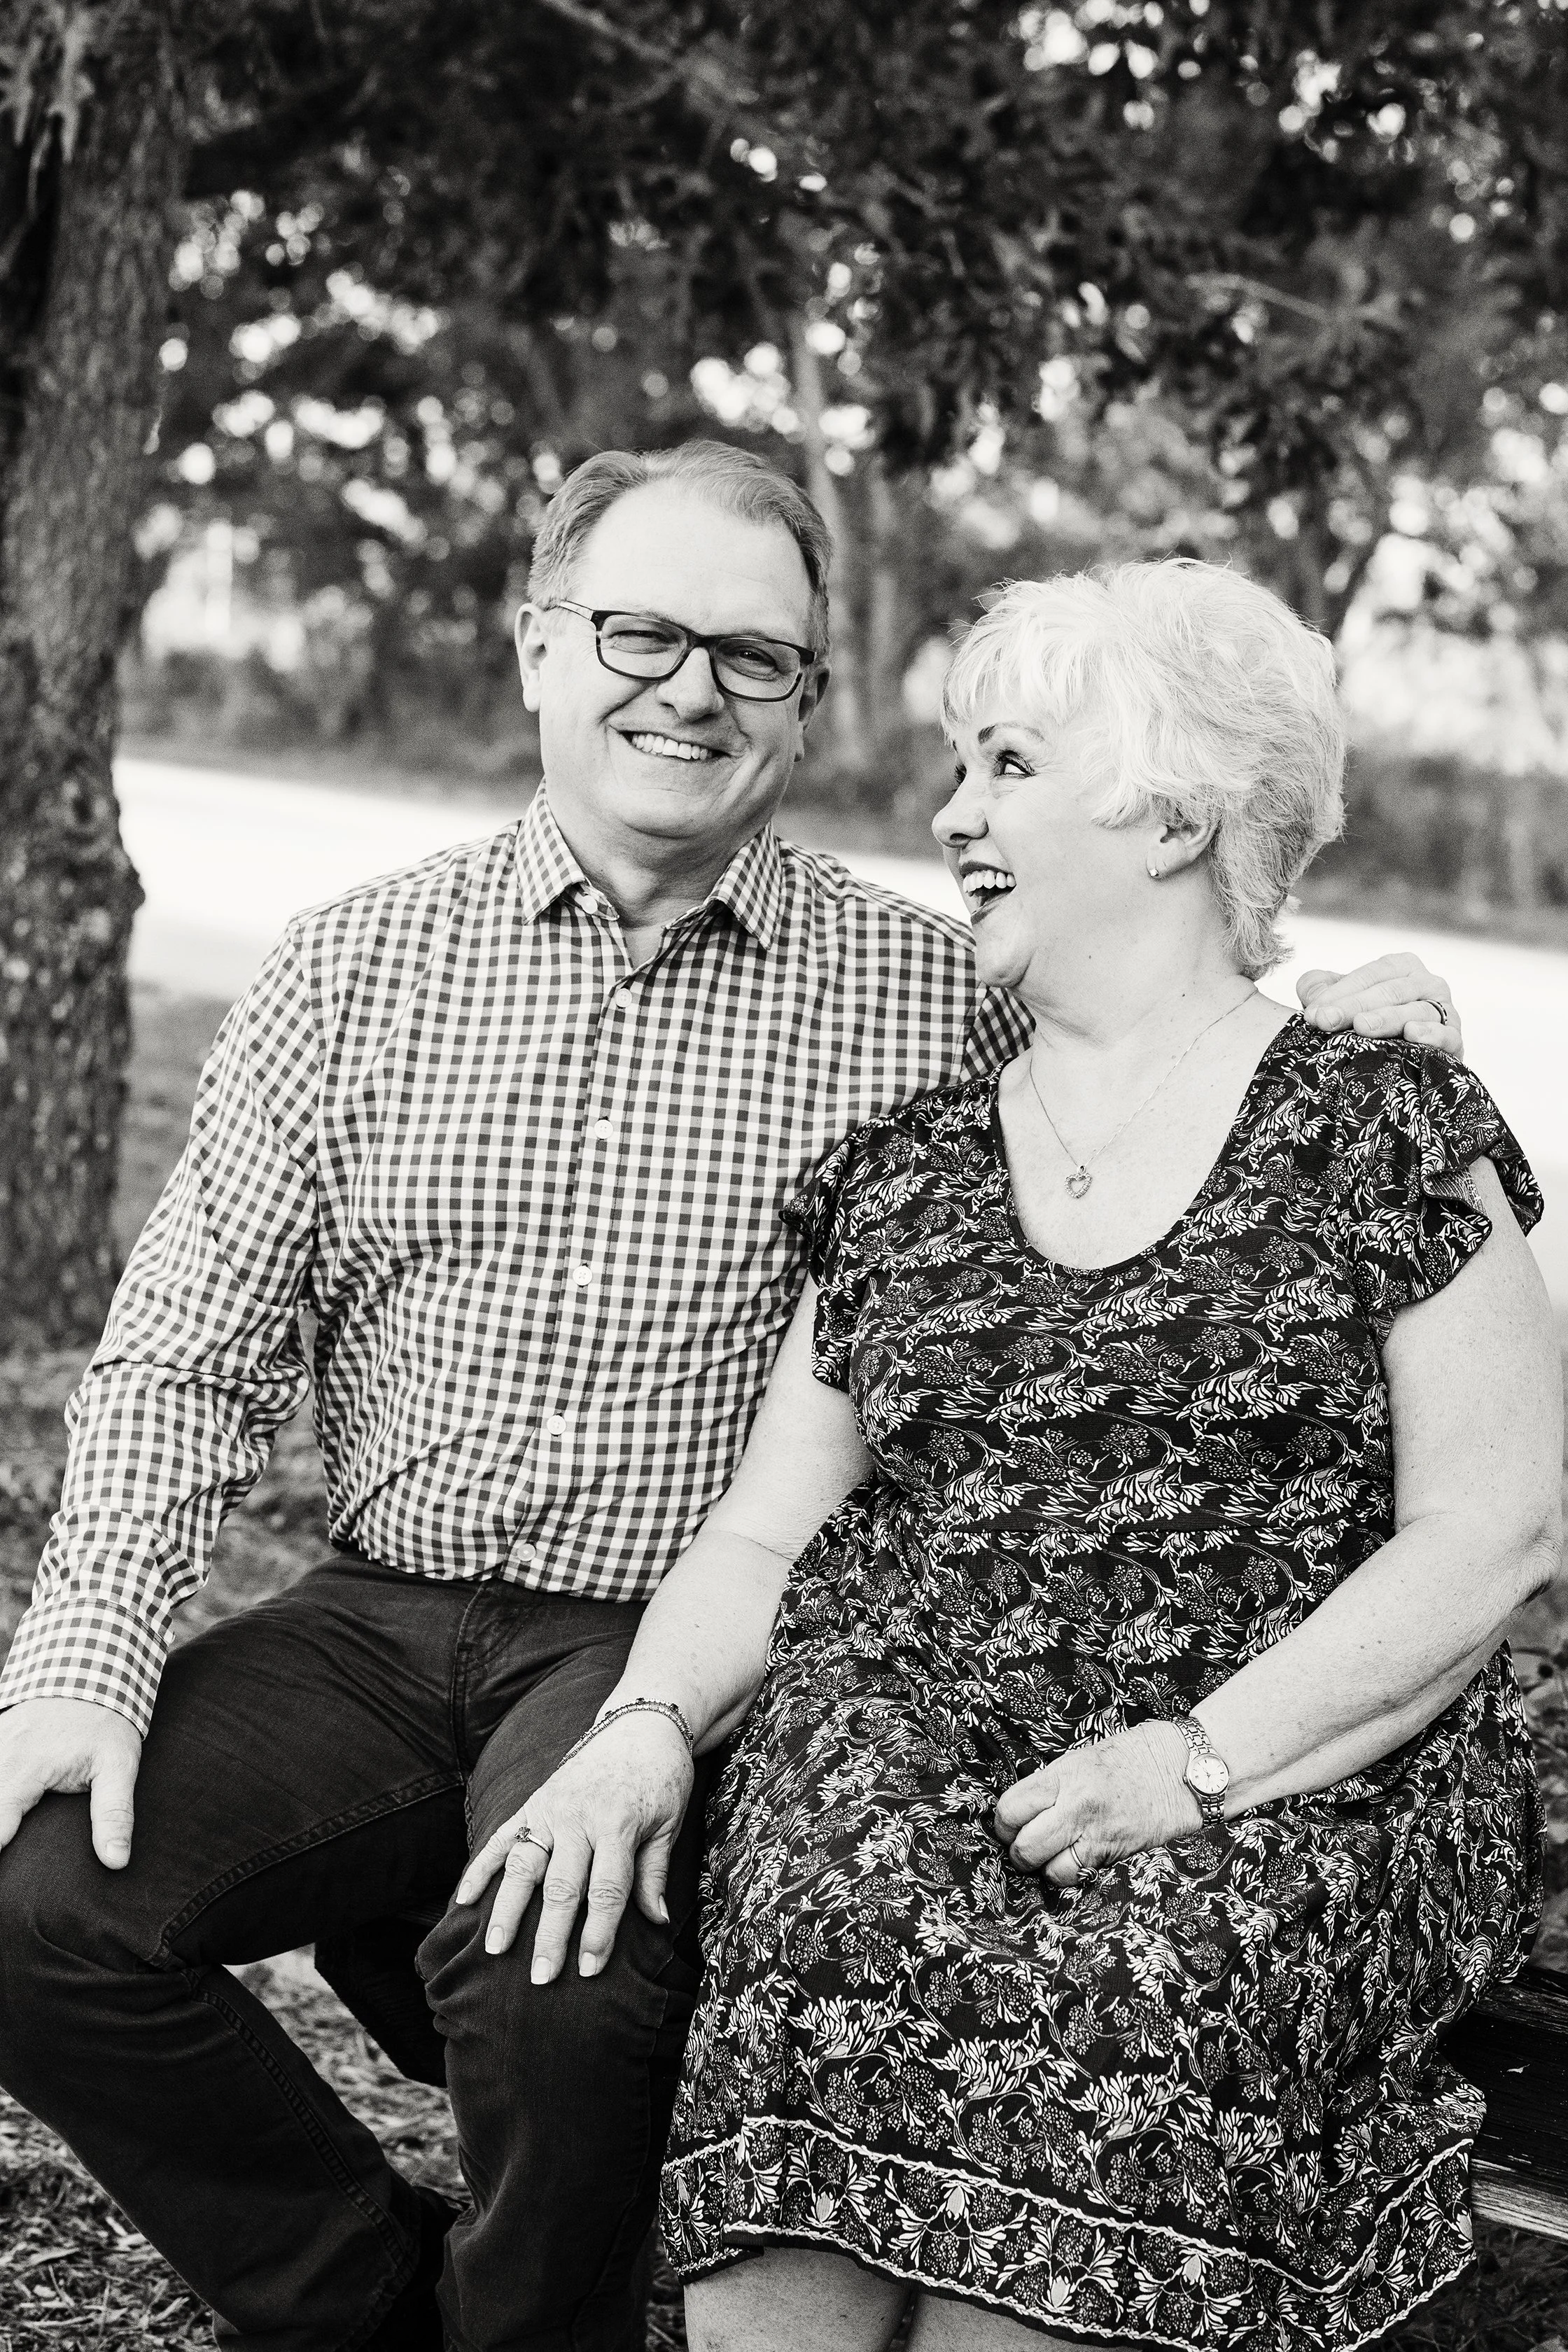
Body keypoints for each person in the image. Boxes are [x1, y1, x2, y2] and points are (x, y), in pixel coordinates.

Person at [0, 445, 1460, 2352]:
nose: (687, 689)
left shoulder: (938, 993)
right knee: (38, 1908)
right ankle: (368, 2303)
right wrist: (86, 1659)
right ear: (537, 647)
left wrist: (1351, 995)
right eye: (637, 632)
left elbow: (1173, 1019)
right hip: (376, 1610)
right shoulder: (350, 965)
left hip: (681, 1632)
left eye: (751, 657)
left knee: (561, 1969)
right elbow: (189, 1348)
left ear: (802, 706)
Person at [458, 559, 1561, 2351]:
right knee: (829, 1927)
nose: (952, 814)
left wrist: (1194, 1767)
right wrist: (641, 1730)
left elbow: (1492, 1533)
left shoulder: (1379, 1118)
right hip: (918, 1729)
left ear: (1174, 815)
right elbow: (763, 1535)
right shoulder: (905, 1166)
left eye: (1009, 769)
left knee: (1120, 1994)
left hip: (1287, 1764)